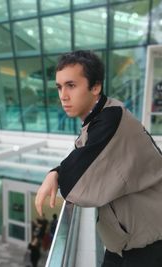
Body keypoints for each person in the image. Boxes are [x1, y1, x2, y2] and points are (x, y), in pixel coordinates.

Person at [35, 50, 162, 267]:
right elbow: (80, 155)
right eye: (59, 87)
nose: (63, 95)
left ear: (95, 87)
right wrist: (55, 171)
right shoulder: (99, 118)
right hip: (125, 242)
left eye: (71, 85)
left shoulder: (111, 119)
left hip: (147, 246)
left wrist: (57, 175)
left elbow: (74, 183)